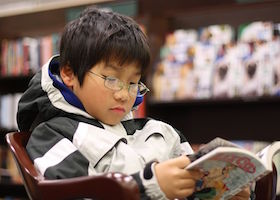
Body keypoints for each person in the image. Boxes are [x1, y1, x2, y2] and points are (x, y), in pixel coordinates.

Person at [17, 6, 251, 200]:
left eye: (133, 83)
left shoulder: (160, 132)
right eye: (111, 79)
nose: (124, 95)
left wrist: (224, 190)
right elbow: (74, 195)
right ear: (69, 73)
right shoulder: (52, 135)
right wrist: (149, 186)